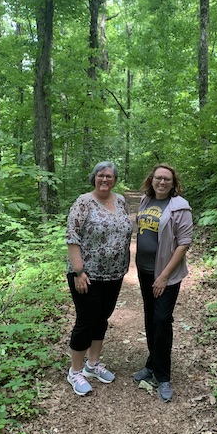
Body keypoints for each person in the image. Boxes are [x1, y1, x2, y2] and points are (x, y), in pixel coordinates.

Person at [66, 161, 133, 396]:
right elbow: (72, 237)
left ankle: (92, 365)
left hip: (114, 274)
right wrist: (78, 272)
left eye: (109, 176)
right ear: (94, 178)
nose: (105, 180)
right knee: (86, 319)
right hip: (87, 275)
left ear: (115, 179)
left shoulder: (121, 200)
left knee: (102, 318)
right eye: (100, 175)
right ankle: (75, 372)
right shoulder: (84, 202)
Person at [133, 164, 193, 402]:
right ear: (152, 180)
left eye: (167, 179)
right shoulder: (145, 201)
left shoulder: (180, 207)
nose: (162, 182)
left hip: (165, 275)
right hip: (145, 271)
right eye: (158, 178)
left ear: (173, 182)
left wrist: (165, 276)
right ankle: (151, 363)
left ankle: (164, 376)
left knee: (162, 320)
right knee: (150, 317)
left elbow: (184, 243)